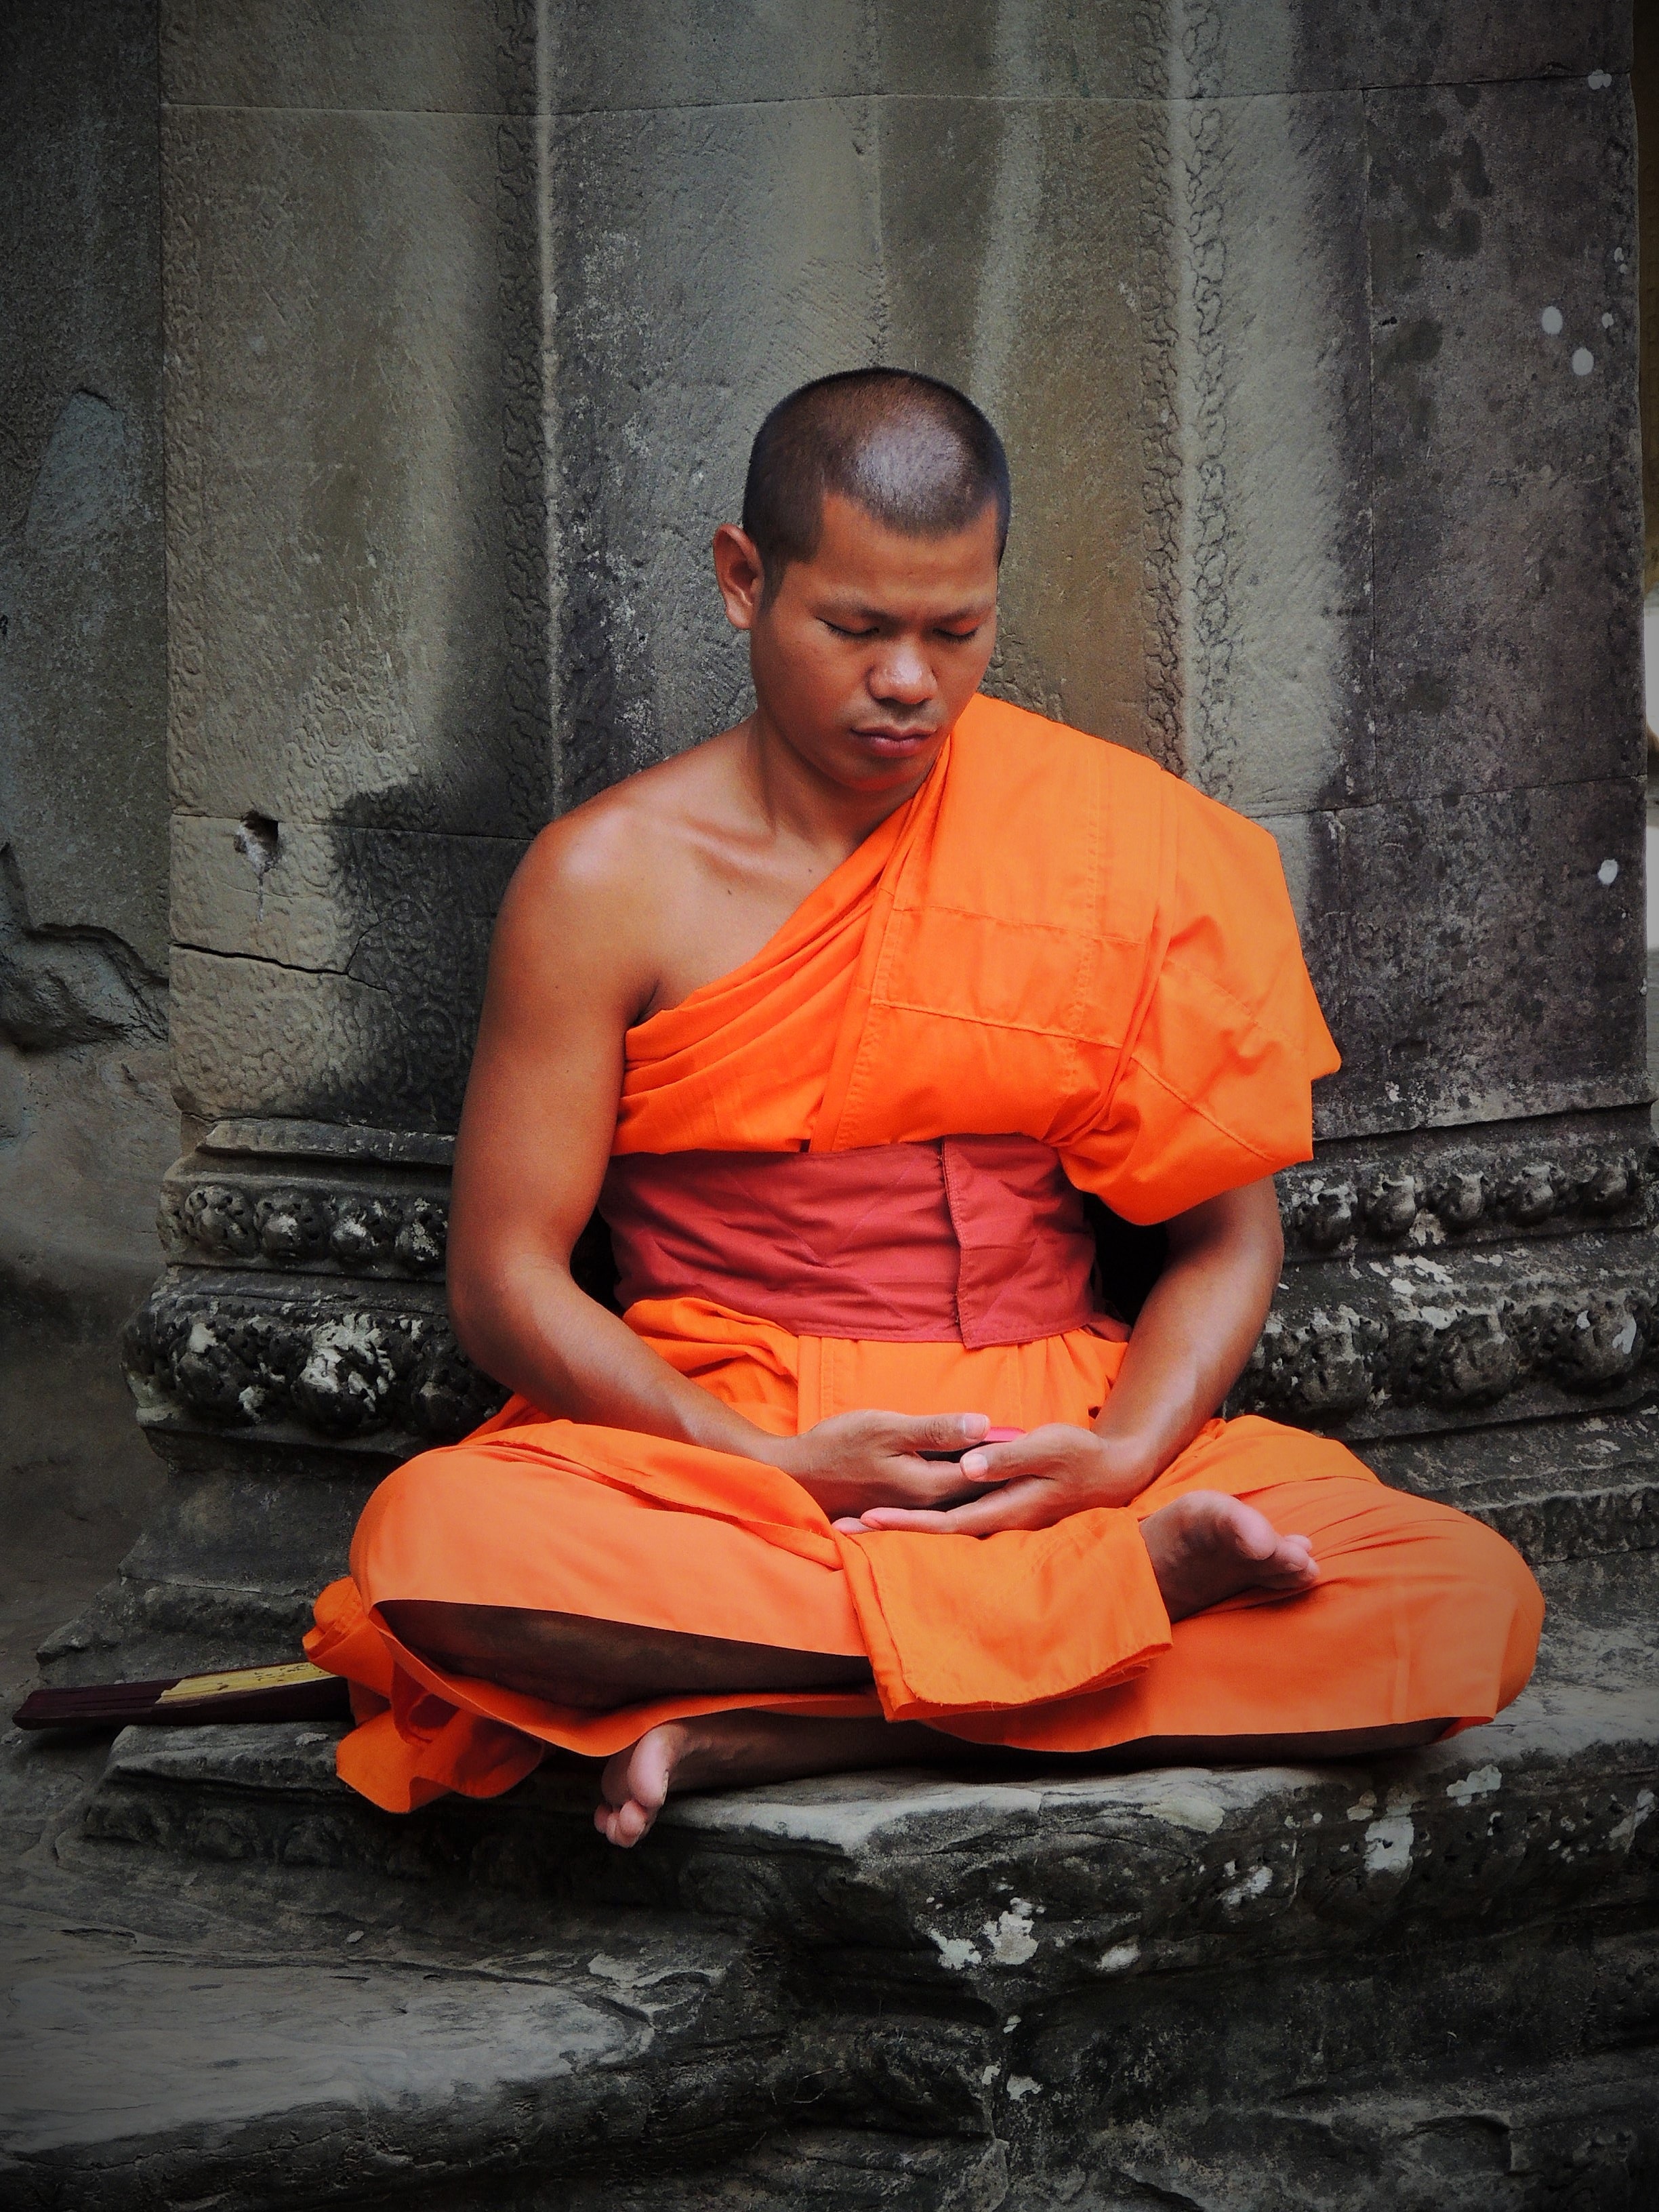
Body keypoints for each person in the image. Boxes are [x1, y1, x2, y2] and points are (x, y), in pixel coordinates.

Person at [306, 369, 1542, 1846]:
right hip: (737, 1446)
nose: (911, 682)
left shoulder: (1112, 837)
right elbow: (506, 1278)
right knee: (444, 1553)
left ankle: (772, 1729)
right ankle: (1117, 1614)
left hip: (1061, 1443)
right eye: (860, 628)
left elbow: (1225, 1239)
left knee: (1467, 1603)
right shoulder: (609, 880)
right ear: (742, 581)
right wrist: (764, 1461)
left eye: (957, 632)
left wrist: (1124, 1460)